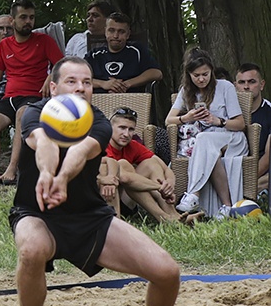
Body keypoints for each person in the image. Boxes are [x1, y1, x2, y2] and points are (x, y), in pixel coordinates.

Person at [10, 57, 180, 306]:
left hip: (90, 217)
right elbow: (45, 144)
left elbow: (80, 152)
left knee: (167, 272)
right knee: (32, 249)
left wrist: (61, 179)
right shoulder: (33, 114)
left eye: (87, 82)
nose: (80, 89)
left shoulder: (99, 122)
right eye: (72, 81)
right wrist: (47, 174)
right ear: (53, 88)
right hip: (36, 214)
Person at [0, 0, 64, 185]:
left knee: (23, 115)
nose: (28, 21)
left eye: (31, 17)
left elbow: (62, 64)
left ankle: (12, 169)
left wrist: (50, 77)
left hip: (35, 97)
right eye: (23, 17)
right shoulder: (5, 45)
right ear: (13, 21)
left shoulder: (44, 41)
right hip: (10, 97)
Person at [166, 49, 246, 219]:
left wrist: (218, 121)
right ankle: (227, 206)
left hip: (230, 137)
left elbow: (240, 124)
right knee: (208, 148)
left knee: (204, 140)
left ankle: (193, 194)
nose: (201, 79)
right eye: (196, 75)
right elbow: (169, 120)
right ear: (189, 75)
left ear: (212, 71)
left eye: (205, 74)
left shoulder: (225, 87)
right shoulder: (186, 90)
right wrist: (186, 117)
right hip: (208, 142)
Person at [104, 107, 196, 224]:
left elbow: (164, 167)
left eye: (131, 129)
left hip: (126, 200)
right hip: (107, 200)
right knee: (122, 165)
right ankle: (163, 217)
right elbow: (125, 177)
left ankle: (173, 214)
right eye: (122, 128)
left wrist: (169, 182)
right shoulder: (102, 144)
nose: (126, 134)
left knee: (151, 164)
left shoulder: (132, 145)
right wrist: (159, 188)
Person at [85, 12, 162, 93]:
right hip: (100, 101)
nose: (115, 36)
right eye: (111, 30)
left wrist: (126, 84)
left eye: (121, 32)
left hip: (134, 102)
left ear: (128, 34)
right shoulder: (94, 55)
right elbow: (78, 78)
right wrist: (103, 84)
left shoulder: (137, 51)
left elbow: (157, 73)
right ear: (105, 32)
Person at [235, 63, 271, 188]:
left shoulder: (269, 112)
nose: (246, 87)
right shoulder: (227, 113)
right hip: (231, 169)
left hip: (260, 173)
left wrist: (247, 181)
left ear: (261, 85)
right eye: (241, 82)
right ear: (235, 86)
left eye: (251, 82)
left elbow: (268, 156)